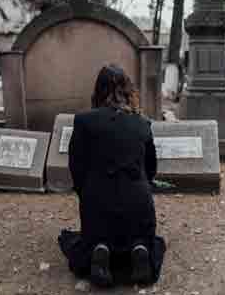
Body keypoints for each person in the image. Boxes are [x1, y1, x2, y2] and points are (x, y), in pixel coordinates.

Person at [58, 65, 166, 287]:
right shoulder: (142, 123)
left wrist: (86, 193)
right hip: (138, 203)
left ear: (98, 90)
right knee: (145, 236)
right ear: (127, 91)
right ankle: (139, 248)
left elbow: (76, 167)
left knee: (91, 235)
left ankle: (100, 248)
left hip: (98, 201)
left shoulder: (83, 121)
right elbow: (151, 169)